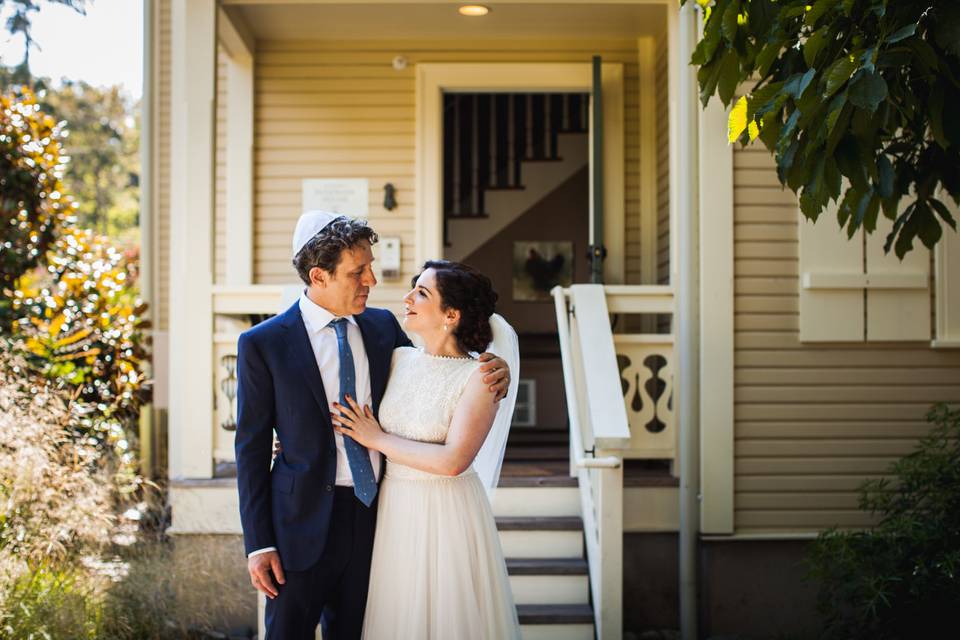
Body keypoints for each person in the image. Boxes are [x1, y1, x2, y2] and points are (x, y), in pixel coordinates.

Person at [234, 212, 512, 640]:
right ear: (319, 276)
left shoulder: (385, 330)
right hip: (297, 528)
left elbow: (441, 367)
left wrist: (496, 367)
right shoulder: (263, 343)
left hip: (378, 522)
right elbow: (250, 449)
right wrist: (259, 542)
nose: (371, 280)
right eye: (357, 271)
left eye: (371, 267)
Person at [331, 260, 522, 640]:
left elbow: (453, 461)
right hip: (395, 507)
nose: (408, 298)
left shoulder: (480, 378)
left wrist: (376, 439)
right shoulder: (399, 358)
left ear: (451, 314)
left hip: (446, 513)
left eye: (422, 293)